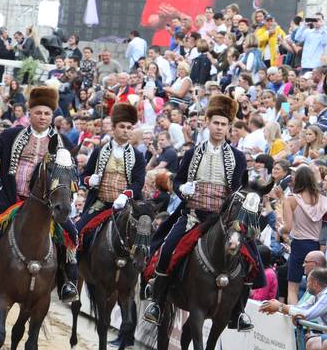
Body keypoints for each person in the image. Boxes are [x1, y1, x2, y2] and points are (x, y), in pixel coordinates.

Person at [0, 86, 79, 310]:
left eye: (47, 113)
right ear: (30, 114)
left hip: (44, 205)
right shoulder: (11, 135)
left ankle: (67, 284)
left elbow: (69, 174)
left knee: (71, 234)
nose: (43, 117)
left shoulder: (61, 143)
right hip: (10, 197)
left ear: (52, 116)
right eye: (39, 112)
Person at [144, 95, 253, 331]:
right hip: (193, 215)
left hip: (222, 221)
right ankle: (157, 300)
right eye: (216, 123)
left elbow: (238, 190)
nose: (220, 128)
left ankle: (240, 311)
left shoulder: (238, 157)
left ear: (229, 127)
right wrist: (182, 188)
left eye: (224, 124)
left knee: (248, 257)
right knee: (168, 249)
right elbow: (178, 181)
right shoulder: (193, 152)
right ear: (207, 122)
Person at [75, 103, 146, 251]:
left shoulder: (137, 155)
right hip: (100, 203)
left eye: (129, 128)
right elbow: (84, 175)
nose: (126, 131)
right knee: (78, 231)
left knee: (142, 238)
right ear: (113, 128)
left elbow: (139, 182)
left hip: (126, 206)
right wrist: (90, 180)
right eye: (122, 127)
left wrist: (125, 195)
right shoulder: (99, 151)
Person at [281, 165, 327, 304]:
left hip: (299, 245)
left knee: (292, 288)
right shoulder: (323, 199)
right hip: (316, 247)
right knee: (314, 288)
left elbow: (288, 228)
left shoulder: (291, 199)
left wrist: (279, 230)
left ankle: (293, 320)